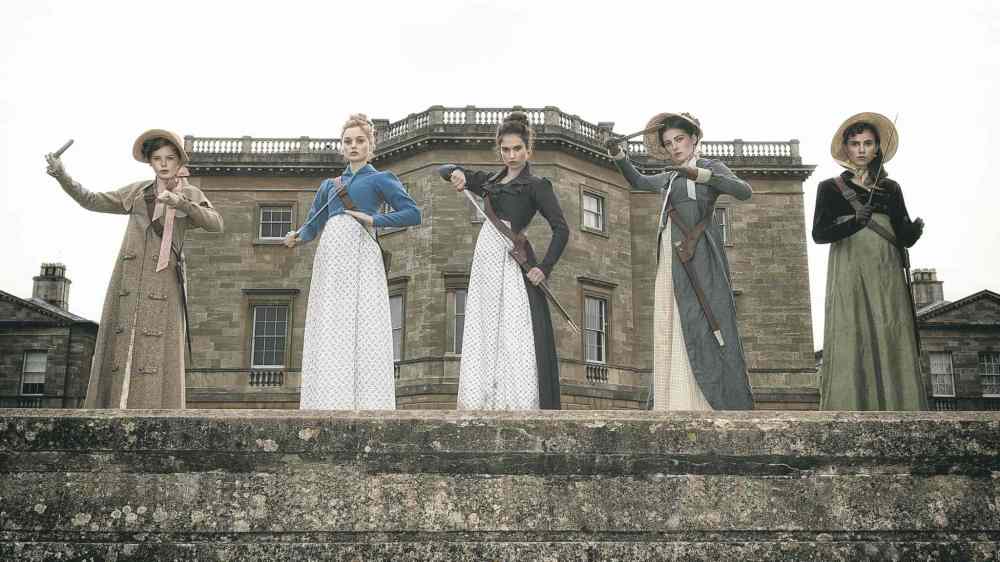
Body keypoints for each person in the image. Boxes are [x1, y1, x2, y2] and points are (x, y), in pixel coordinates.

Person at [44, 129, 224, 408]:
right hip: (128, 278)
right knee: (121, 342)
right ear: (150, 162)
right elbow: (91, 200)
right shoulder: (138, 192)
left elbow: (216, 223)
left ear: (179, 162)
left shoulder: (189, 192)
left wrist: (183, 204)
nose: (163, 164)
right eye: (157, 158)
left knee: (159, 349)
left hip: (164, 280)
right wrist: (62, 176)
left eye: (170, 158)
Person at [606, 112, 753, 410]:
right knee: (672, 319)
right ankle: (674, 399)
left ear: (694, 138)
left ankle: (711, 400)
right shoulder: (670, 176)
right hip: (672, 256)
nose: (674, 147)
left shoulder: (711, 167)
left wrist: (702, 175)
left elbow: (744, 191)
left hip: (700, 254)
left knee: (704, 317)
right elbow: (639, 180)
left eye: (680, 139)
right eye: (668, 142)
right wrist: (619, 155)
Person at [284, 113, 420, 410]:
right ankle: (329, 395)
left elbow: (413, 213)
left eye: (360, 141)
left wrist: (374, 218)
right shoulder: (328, 185)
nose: (353, 146)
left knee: (364, 316)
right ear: (341, 147)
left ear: (371, 145)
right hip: (331, 254)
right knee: (332, 317)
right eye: (348, 141)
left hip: (362, 250)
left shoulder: (381, 179)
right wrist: (297, 235)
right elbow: (312, 225)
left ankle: (367, 398)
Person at [438, 111, 569, 410]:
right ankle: (485, 399)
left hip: (513, 259)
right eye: (506, 149)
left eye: (517, 149)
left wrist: (543, 267)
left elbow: (562, 229)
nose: (511, 155)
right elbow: (445, 169)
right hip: (485, 259)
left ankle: (518, 400)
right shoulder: (488, 181)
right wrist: (456, 174)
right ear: (499, 150)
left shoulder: (537, 185)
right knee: (485, 326)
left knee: (515, 329)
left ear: (528, 150)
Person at [813, 112, 926, 410]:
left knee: (889, 328)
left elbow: (902, 235)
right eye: (854, 143)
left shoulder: (892, 188)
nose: (861, 149)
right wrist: (854, 222)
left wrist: (913, 231)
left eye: (868, 143)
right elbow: (819, 234)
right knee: (852, 331)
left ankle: (899, 406)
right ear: (846, 148)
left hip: (886, 270)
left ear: (877, 148)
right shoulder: (830, 187)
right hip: (849, 269)